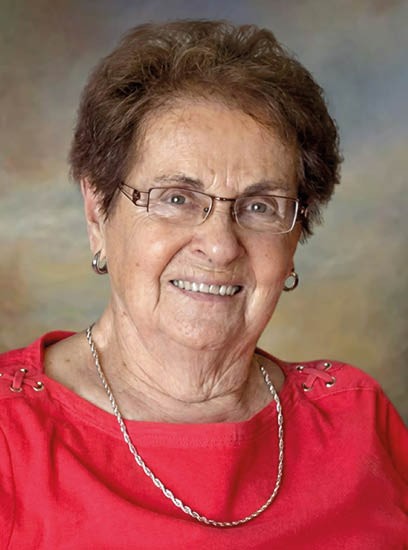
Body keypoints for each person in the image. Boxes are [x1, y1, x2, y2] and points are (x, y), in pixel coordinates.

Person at [0, 20, 406, 549]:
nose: (220, 246)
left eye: (260, 206)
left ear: (295, 236)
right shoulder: (11, 434)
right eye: (176, 198)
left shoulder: (356, 420)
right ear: (98, 212)